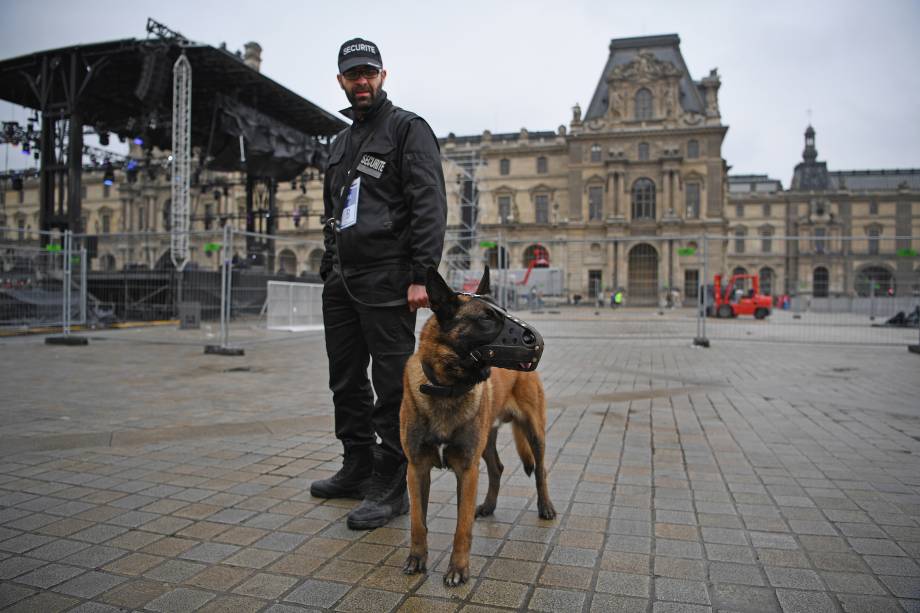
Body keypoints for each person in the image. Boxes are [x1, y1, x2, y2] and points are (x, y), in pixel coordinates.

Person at [310, 38, 447, 530]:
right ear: (341, 81)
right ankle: (357, 466)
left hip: (389, 278)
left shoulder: (407, 129)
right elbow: (334, 211)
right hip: (342, 281)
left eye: (369, 72)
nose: (362, 80)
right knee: (345, 379)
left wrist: (422, 275)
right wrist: (330, 266)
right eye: (353, 74)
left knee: (390, 385)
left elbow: (428, 202)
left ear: (383, 76)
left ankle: (392, 484)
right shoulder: (341, 143)